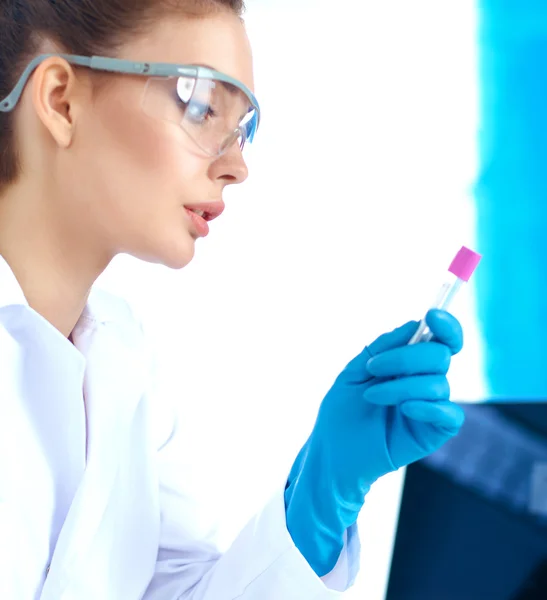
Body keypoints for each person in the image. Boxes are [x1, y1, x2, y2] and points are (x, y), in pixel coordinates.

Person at [0, 1, 466, 598]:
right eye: (199, 105)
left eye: (243, 126)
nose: (237, 166)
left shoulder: (127, 366)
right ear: (62, 100)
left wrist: (318, 501)